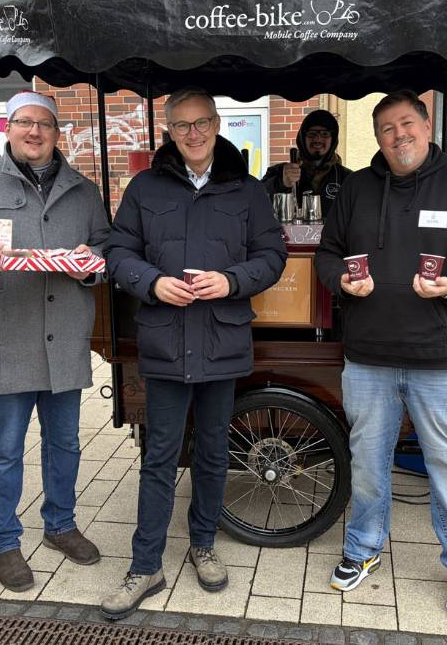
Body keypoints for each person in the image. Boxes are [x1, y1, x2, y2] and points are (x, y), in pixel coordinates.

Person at [315, 90, 447, 617]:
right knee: (368, 462)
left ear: (426, 127)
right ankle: (362, 550)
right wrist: (340, 281)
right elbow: (327, 254)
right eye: (386, 128)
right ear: (376, 137)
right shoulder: (357, 188)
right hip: (368, 357)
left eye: (407, 124)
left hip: (442, 357)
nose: (398, 135)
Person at [102, 87, 287, 620]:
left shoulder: (246, 190)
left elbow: (272, 255)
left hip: (221, 340)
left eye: (202, 122)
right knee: (159, 456)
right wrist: (151, 283)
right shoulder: (144, 186)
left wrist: (231, 281)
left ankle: (203, 545)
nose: (194, 134)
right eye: (181, 126)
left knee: (211, 453)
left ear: (217, 123)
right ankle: (145, 565)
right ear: (169, 131)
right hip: (163, 341)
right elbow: (119, 250)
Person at [0, 91, 110, 592]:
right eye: (23, 123)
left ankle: (59, 524)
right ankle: (5, 540)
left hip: (65, 342)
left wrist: (90, 263)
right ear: (8, 129)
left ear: (58, 134)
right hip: (6, 340)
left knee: (66, 444)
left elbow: (108, 247)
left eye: (45, 125)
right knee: (5, 450)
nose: (34, 132)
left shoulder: (83, 190)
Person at [261, 109, 352, 215]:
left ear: (333, 140)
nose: (318, 138)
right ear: (302, 138)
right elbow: (256, 200)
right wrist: (281, 183)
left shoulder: (347, 178)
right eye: (312, 133)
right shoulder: (277, 172)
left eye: (325, 134)